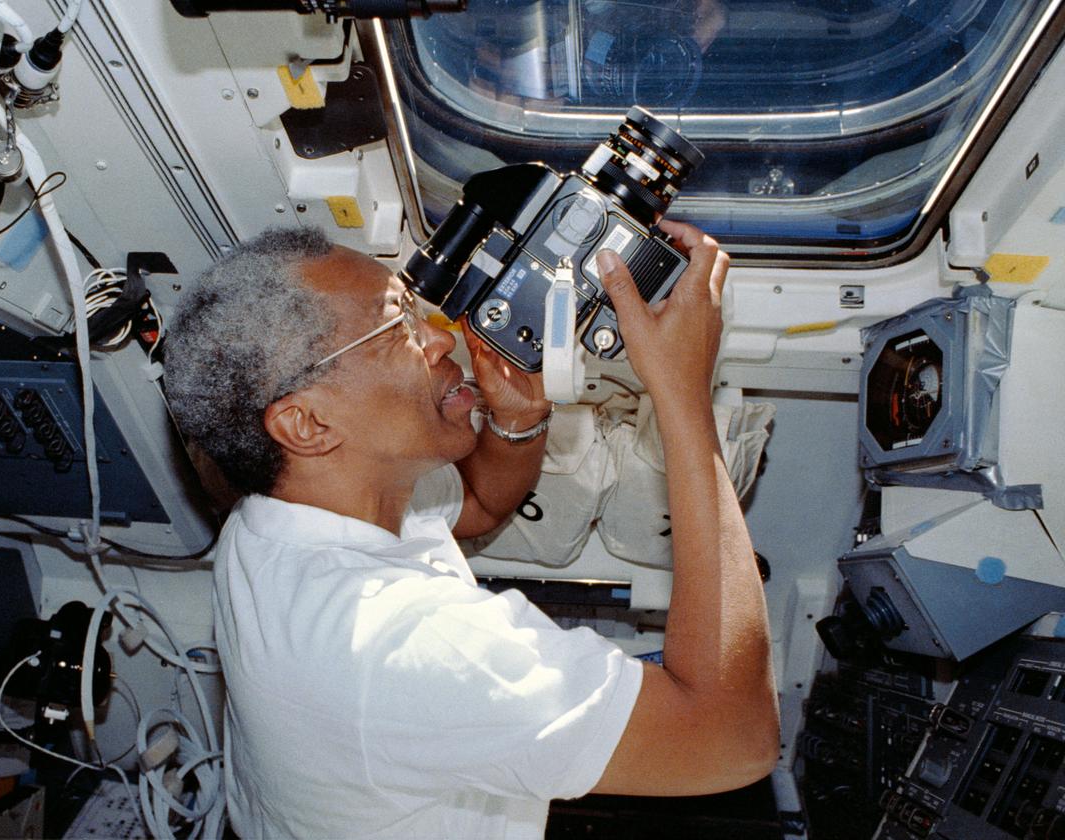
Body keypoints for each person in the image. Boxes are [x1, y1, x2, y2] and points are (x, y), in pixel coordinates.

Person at [163, 222, 779, 839]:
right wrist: (682, 395)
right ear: (306, 423)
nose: (437, 339)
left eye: (414, 309)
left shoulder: (271, 519)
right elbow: (736, 736)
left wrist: (518, 419)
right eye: (397, 328)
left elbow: (481, 501)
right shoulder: (409, 645)